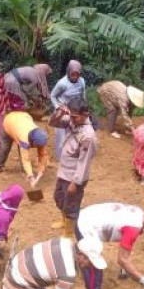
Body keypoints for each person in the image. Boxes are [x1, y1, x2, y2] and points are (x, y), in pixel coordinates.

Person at [48, 97, 98, 236]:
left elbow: (84, 162)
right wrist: (59, 112)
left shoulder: (88, 136)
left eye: (75, 117)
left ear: (85, 115)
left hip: (74, 176)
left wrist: (75, 183)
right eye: (71, 116)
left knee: (71, 204)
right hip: (63, 171)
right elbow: (53, 122)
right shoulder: (73, 121)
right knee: (59, 197)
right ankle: (64, 221)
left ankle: (69, 233)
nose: (72, 119)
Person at [0, 111, 48, 186]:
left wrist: (41, 170)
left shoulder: (40, 136)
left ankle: (25, 170)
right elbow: (26, 158)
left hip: (23, 118)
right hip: (9, 122)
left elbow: (42, 155)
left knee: (23, 149)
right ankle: (0, 165)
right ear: (32, 142)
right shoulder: (24, 138)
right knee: (6, 147)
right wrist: (31, 175)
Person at [50, 60, 86, 159]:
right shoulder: (62, 83)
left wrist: (84, 107)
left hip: (75, 109)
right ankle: (60, 157)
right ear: (68, 72)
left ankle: (73, 153)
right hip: (63, 110)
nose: (75, 77)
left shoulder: (82, 81)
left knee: (76, 132)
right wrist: (58, 108)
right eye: (72, 74)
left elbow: (83, 95)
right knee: (61, 135)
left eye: (77, 74)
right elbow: (52, 96)